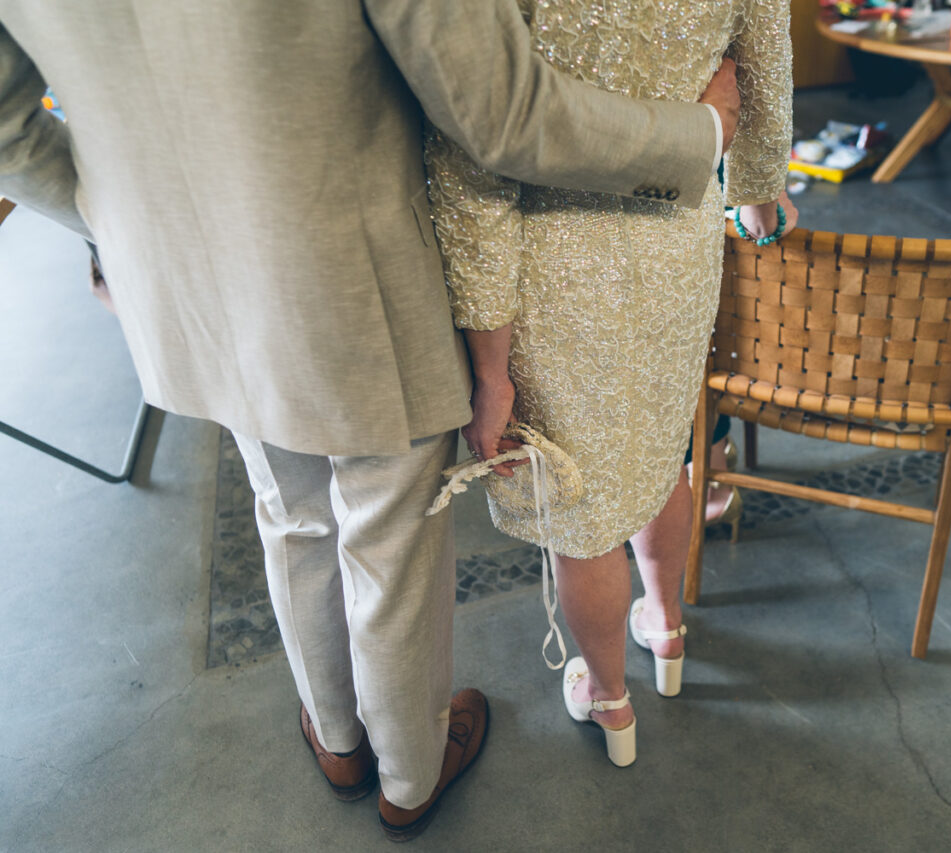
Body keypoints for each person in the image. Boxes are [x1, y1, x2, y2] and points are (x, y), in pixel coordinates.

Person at [0, 1, 740, 841]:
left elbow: (7, 124)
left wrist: (117, 221)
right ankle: (410, 774)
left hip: (179, 279)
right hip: (351, 275)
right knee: (388, 535)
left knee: (287, 508)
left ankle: (339, 738)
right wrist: (698, 136)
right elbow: (500, 113)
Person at [427, 0, 794, 767]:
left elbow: (471, 153)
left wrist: (489, 365)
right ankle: (665, 625)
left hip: (551, 255)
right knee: (663, 451)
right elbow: (766, 58)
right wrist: (757, 180)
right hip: (680, 235)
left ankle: (609, 696)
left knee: (582, 503)